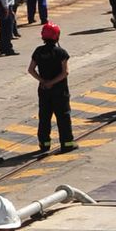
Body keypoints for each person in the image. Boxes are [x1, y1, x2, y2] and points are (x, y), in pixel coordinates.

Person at [29, 21, 74, 153]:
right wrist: (53, 82)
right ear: (57, 36)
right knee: (63, 116)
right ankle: (67, 143)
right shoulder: (61, 53)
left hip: (44, 90)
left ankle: (44, 144)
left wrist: (43, 81)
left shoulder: (38, 51)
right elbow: (65, 72)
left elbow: (31, 69)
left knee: (44, 117)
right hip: (60, 91)